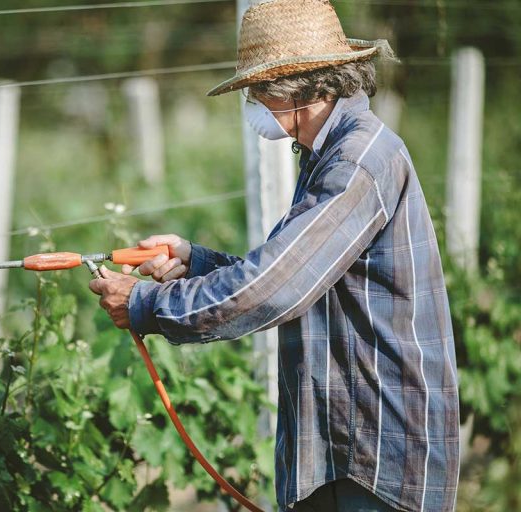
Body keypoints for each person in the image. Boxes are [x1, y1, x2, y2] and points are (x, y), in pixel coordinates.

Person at [88, 0, 460, 510]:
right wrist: (192, 260)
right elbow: (302, 274)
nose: (255, 106)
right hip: (346, 438)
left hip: (378, 447)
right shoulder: (329, 153)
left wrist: (146, 304)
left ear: (300, 89)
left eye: (258, 93)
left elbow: (273, 288)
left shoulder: (357, 162)